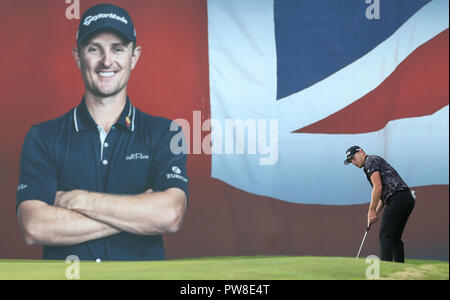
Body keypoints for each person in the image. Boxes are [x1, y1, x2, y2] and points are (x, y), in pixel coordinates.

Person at [16, 3, 189, 261]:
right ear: (78, 56)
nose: (107, 61)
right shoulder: (42, 138)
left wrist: (77, 200)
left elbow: (170, 215)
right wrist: (139, 210)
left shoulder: (166, 133)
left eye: (117, 49)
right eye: (94, 49)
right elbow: (35, 227)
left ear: (134, 56)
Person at [344, 146, 415, 263]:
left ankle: (386, 269)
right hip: (406, 198)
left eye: (353, 158)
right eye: (350, 161)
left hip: (397, 198)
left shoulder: (370, 161)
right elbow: (382, 195)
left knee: (385, 235)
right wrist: (375, 212)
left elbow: (377, 188)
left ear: (361, 152)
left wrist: (371, 210)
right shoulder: (372, 162)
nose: (353, 162)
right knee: (394, 237)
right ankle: (399, 270)